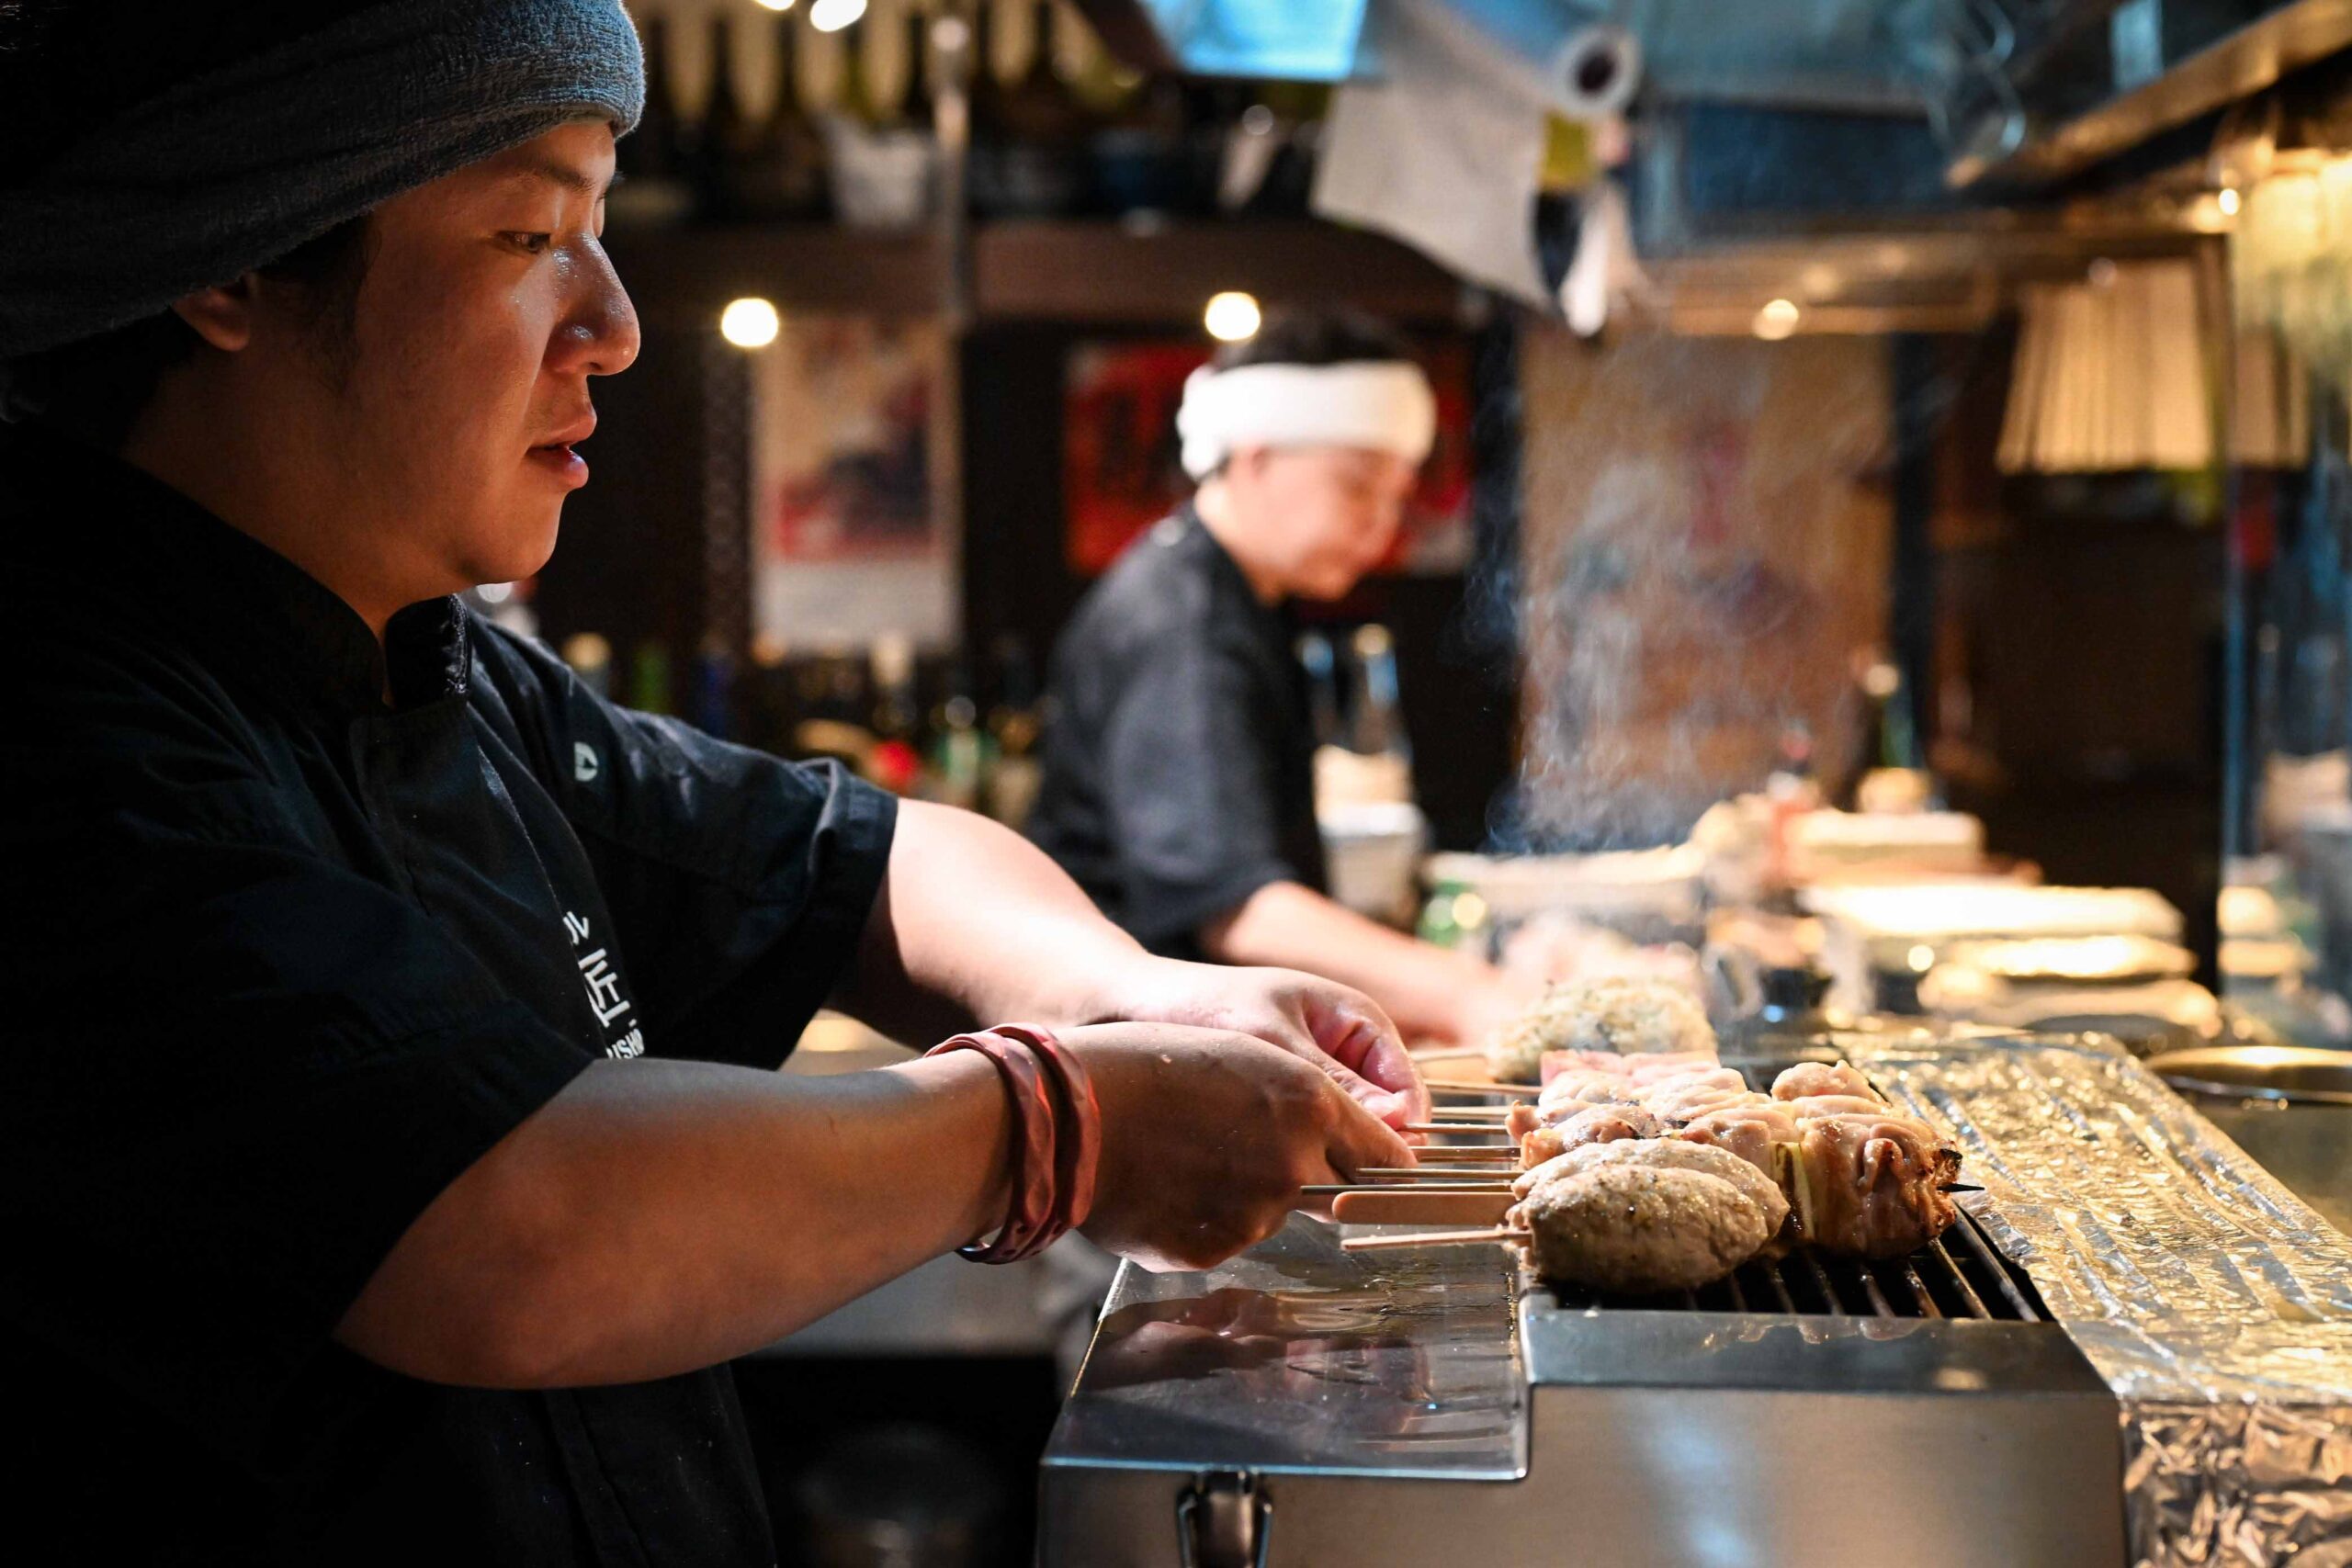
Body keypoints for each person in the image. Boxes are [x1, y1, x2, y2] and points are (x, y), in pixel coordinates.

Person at [0, 6, 1428, 1563]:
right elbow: (510, 1234)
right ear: (236, 258)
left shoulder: (440, 672)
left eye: (598, 229)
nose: (614, 322)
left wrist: (1132, 995)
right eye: (529, 233)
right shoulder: (66, 723)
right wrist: (1054, 1121)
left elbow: (862, 859)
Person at [1028, 310, 1523, 1047]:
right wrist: (1469, 992)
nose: (1381, 525)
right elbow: (1239, 911)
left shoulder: (1244, 597)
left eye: (1395, 497)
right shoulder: (1182, 622)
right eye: (1357, 487)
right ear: (1255, 458)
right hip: (1127, 1059)